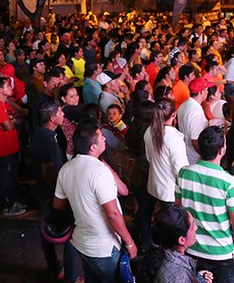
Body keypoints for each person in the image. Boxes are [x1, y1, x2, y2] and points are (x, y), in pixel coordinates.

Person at [53, 120, 138, 283]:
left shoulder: (66, 169)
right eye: (101, 138)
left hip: (82, 242)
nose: (105, 139)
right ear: (92, 147)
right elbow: (113, 213)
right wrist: (130, 242)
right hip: (104, 247)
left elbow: (58, 205)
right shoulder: (99, 172)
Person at [175, 126, 234, 278]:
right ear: (221, 150)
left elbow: (179, 211)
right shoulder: (229, 183)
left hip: (191, 249)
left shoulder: (183, 173)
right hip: (221, 253)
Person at [29, 100, 80, 283]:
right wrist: (62, 195)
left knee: (47, 229)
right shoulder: (46, 140)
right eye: (60, 112)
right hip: (51, 194)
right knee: (69, 235)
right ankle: (71, 276)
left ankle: (54, 268)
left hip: (46, 192)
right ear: (52, 118)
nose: (63, 115)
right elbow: (48, 173)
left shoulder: (43, 134)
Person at [142, 97, 188, 250]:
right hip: (170, 191)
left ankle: (149, 246)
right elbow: (181, 170)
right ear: (174, 115)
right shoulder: (173, 138)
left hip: (154, 184)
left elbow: (149, 158)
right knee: (172, 228)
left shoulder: (149, 131)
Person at [135, 205, 212, 283]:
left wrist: (197, 278)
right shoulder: (179, 277)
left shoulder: (158, 254)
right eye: (192, 225)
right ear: (182, 240)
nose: (196, 227)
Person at [0, 77, 27, 217]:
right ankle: (7, 206)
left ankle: (12, 201)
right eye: (8, 86)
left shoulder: (6, 104)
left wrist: (12, 120)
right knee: (5, 178)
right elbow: (7, 125)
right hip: (3, 148)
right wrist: (12, 121)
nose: (11, 88)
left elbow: (19, 118)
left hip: (13, 145)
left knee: (12, 177)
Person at [177, 77, 213, 164]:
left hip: (187, 152)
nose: (208, 92)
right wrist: (206, 157)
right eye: (206, 90)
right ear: (201, 92)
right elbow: (195, 141)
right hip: (195, 157)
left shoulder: (184, 105)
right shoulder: (195, 112)